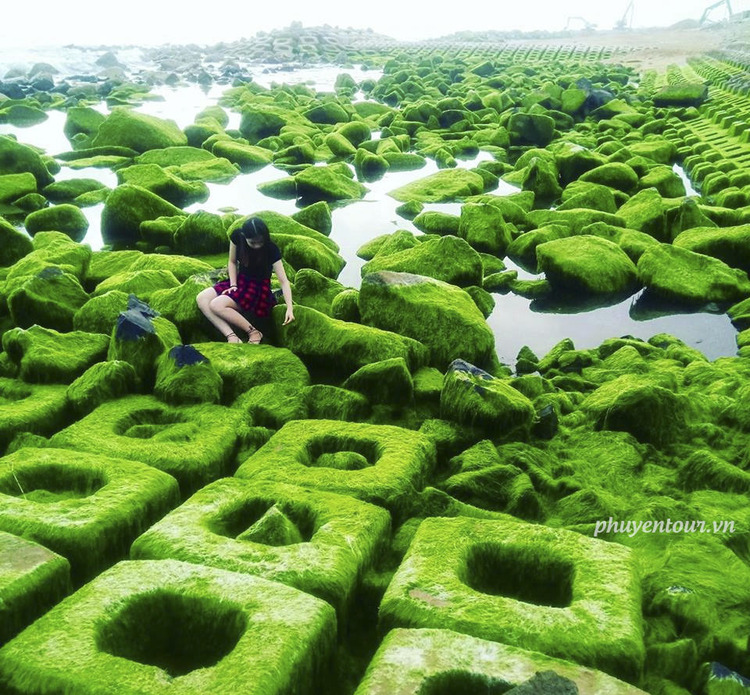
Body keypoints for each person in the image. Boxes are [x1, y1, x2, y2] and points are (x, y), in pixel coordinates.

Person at [196, 216, 294, 343]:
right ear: (244, 236)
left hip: (258, 289)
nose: (257, 246)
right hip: (239, 281)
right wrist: (233, 285)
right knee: (202, 298)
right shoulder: (237, 236)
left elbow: (284, 281)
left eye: (260, 242)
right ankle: (231, 336)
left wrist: (289, 308)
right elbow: (232, 262)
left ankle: (254, 332)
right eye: (252, 242)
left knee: (216, 304)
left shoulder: (271, 249)